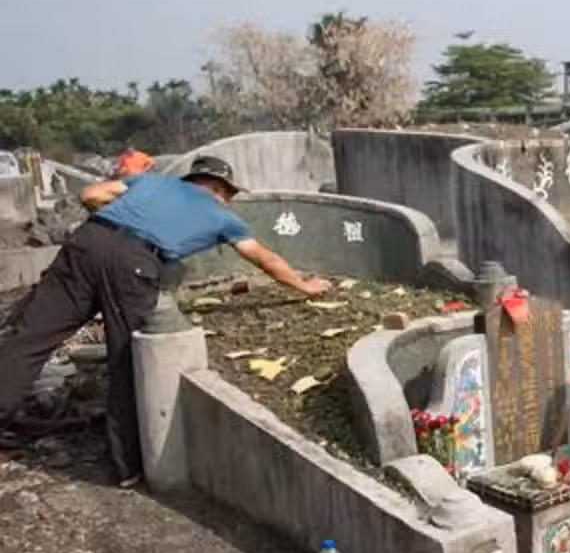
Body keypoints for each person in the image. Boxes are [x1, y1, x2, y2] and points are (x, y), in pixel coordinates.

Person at [0, 156, 331, 486]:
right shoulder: (221, 215)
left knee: (29, 337)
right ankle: (127, 467)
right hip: (134, 262)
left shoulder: (151, 182)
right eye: (229, 195)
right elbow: (264, 258)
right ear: (220, 190)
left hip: (87, 243)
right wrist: (305, 286)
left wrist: (119, 223)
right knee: (127, 360)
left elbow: (90, 194)